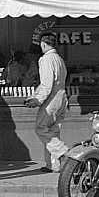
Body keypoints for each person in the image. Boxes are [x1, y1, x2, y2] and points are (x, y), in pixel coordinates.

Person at [25, 32, 68, 172]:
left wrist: (37, 99)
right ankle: (53, 165)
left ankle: (63, 153)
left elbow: (47, 84)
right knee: (53, 131)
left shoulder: (46, 59)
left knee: (41, 128)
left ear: (43, 44)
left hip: (52, 99)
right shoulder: (59, 59)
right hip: (62, 97)